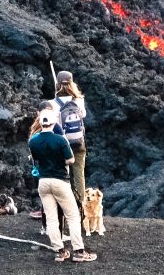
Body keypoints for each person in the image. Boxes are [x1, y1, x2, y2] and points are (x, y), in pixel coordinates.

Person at [29, 106, 97, 263]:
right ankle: (79, 251)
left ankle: (59, 251)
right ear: (53, 122)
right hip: (60, 181)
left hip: (43, 182)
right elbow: (71, 160)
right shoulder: (60, 140)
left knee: (52, 218)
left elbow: (35, 159)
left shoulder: (33, 141)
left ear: (40, 122)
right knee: (73, 216)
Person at [53, 70, 90, 213]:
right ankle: (81, 206)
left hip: (62, 145)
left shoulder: (54, 102)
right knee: (79, 174)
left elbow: (54, 122)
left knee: (63, 175)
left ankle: (65, 207)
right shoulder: (79, 100)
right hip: (79, 143)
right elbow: (84, 115)